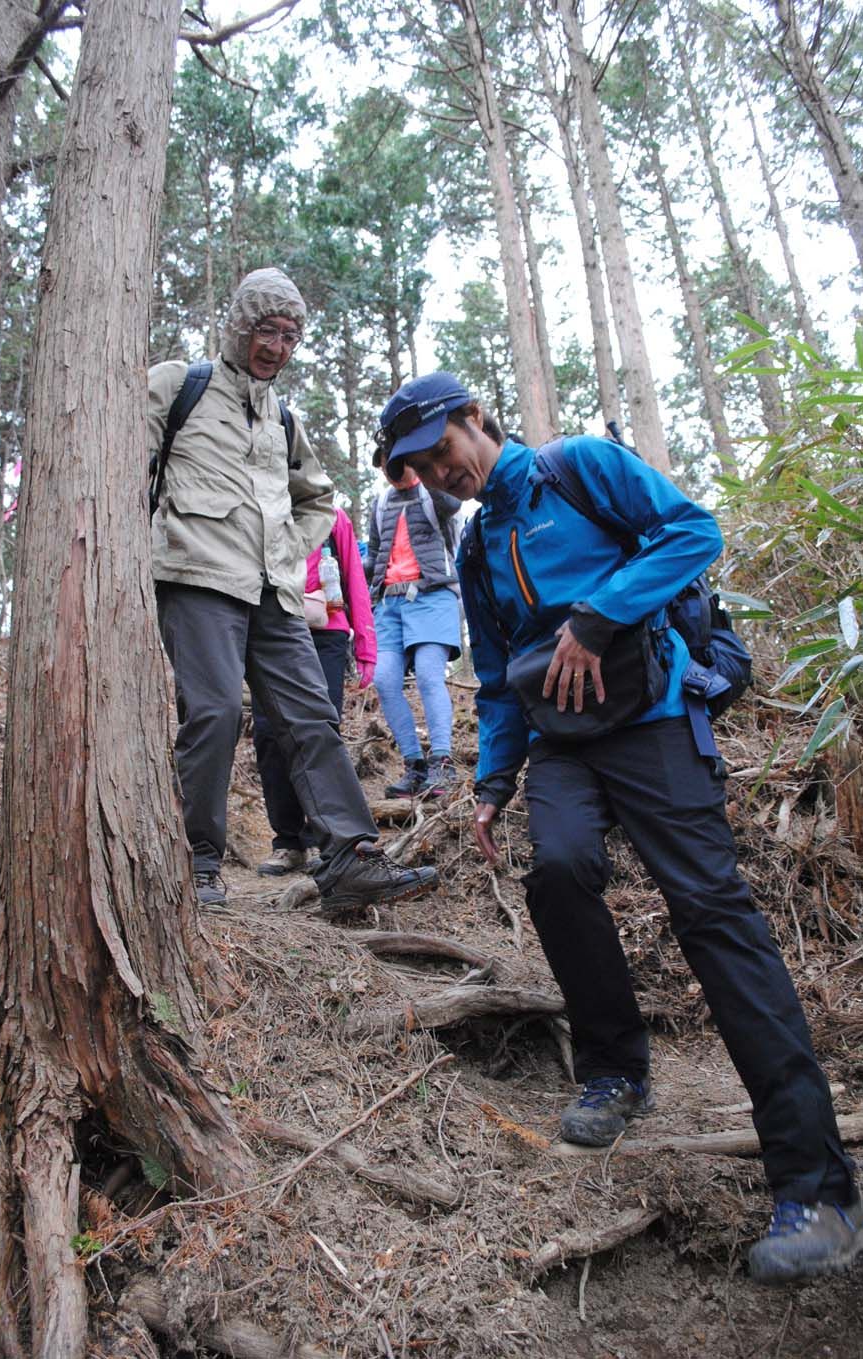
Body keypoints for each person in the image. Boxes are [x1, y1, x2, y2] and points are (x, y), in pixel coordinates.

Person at [373, 370, 861, 1286]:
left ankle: (818, 1186)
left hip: (655, 719)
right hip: (561, 741)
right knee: (556, 870)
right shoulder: (477, 546)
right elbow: (499, 670)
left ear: (476, 420)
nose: (442, 471)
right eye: (420, 467)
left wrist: (598, 618)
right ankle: (614, 1070)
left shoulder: (579, 469)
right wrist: (492, 780)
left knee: (713, 916)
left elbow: (694, 530)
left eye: (444, 447)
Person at [148, 268, 436, 912]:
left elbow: (319, 500)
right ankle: (197, 863)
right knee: (216, 713)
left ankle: (350, 858)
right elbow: (125, 465)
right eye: (266, 331)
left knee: (312, 719)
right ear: (238, 326)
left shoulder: (282, 418)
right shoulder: (179, 386)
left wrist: (285, 548)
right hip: (196, 579)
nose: (277, 346)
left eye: (290, 335)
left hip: (275, 594)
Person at [254, 507, 376, 876]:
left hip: (327, 632)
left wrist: (366, 647)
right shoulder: (260, 509)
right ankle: (288, 841)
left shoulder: (331, 517)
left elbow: (354, 576)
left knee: (319, 730)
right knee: (269, 733)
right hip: (272, 627)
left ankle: (329, 841)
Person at [365, 457, 462, 797]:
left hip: (433, 595)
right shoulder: (380, 503)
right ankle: (415, 765)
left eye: (397, 463)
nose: (391, 471)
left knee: (427, 674)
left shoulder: (433, 494)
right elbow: (375, 553)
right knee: (385, 680)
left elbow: (453, 502)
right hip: (389, 603)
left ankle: (442, 762)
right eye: (384, 465)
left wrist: (422, 467)